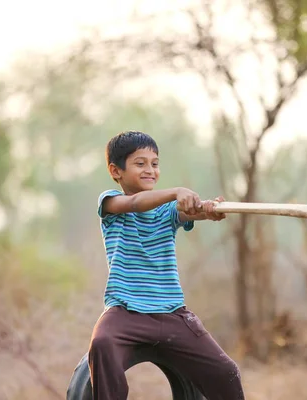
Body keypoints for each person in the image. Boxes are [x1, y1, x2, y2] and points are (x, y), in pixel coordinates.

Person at [88, 131, 245, 400]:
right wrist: (177, 192)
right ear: (116, 170)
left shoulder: (167, 211)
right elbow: (135, 203)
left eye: (155, 163)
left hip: (171, 312)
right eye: (140, 163)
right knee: (102, 343)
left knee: (226, 372)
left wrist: (208, 210)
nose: (150, 170)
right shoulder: (111, 203)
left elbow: (189, 212)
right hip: (125, 312)